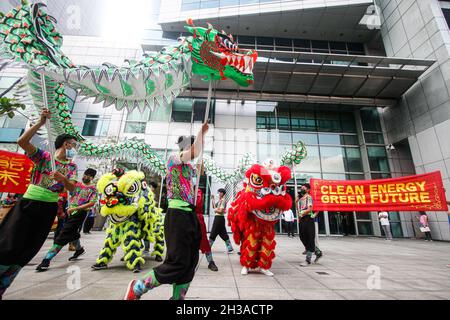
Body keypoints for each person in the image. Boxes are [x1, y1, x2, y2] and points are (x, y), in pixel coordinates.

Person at [124, 123, 208, 300]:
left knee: (190, 262)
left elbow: (196, 157)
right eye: (191, 145)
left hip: (190, 214)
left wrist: (201, 142)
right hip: (177, 215)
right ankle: (138, 288)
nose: (195, 150)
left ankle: (178, 298)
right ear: (184, 148)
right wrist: (201, 133)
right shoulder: (173, 159)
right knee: (177, 261)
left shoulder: (190, 169)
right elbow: (194, 152)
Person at [0, 108, 78, 299]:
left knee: (29, 249)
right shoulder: (44, 157)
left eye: (74, 146)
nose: (73, 148)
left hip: (48, 208)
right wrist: (41, 123)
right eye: (71, 144)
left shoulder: (71, 167)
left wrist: (62, 178)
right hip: (28, 204)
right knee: (8, 244)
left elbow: (73, 188)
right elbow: (22, 142)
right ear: (63, 143)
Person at [35, 168, 98, 272]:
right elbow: (65, 187)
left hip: (80, 213)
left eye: (89, 175)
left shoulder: (93, 189)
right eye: (85, 174)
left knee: (63, 235)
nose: (86, 176)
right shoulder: (76, 185)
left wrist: (76, 208)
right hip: (69, 212)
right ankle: (79, 249)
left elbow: (91, 203)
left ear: (92, 178)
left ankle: (46, 260)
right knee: (72, 232)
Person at [196, 188, 218, 271]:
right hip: (186, 218)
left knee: (204, 242)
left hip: (198, 219)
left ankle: (210, 261)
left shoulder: (198, 191)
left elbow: (198, 204)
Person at [209, 188, 234, 253]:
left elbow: (220, 211)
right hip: (219, 218)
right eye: (218, 192)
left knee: (213, 232)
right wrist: (213, 199)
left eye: (220, 192)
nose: (219, 193)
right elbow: (214, 206)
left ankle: (208, 247)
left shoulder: (223, 201)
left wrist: (215, 209)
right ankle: (230, 248)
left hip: (219, 219)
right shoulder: (220, 200)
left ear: (223, 193)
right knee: (223, 233)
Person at [298, 183, 315, 267]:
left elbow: (310, 209)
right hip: (302, 219)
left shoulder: (309, 197)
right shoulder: (301, 199)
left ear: (308, 189)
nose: (302, 189)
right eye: (301, 188)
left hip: (308, 219)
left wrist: (302, 213)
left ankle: (308, 259)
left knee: (309, 237)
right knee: (302, 236)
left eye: (303, 188)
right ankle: (311, 249)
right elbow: (298, 208)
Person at [143, 181, 158, 254]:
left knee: (147, 232)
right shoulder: (146, 192)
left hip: (149, 216)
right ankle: (145, 248)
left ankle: (146, 249)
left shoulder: (151, 194)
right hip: (145, 214)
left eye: (152, 187)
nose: (151, 188)